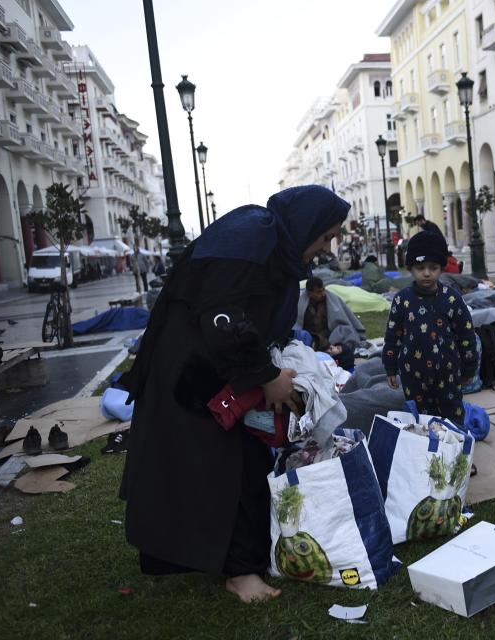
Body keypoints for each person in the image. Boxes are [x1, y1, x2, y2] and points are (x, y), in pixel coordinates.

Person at [118, 186, 348, 604]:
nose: (325, 248)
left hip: (213, 371)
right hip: (194, 375)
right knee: (228, 469)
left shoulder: (270, 242)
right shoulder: (254, 235)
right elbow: (222, 314)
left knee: (238, 464)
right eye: (326, 235)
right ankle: (241, 574)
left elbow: (253, 317)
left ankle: (237, 563)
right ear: (307, 224)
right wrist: (266, 376)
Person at [383, 231, 478, 423]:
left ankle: (455, 448)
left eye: (433, 268)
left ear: (441, 268)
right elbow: (393, 336)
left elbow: (466, 334)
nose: (426, 273)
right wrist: (390, 367)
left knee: (452, 414)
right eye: (420, 268)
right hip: (413, 374)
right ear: (410, 268)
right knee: (421, 419)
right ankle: (428, 451)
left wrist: (469, 368)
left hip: (448, 372)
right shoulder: (402, 300)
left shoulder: (451, 299)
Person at [296, 277, 364, 370]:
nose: (323, 294)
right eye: (318, 292)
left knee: (346, 331)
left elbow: (343, 321)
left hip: (331, 337)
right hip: (311, 340)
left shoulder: (331, 299)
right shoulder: (299, 302)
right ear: (309, 293)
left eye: (323, 290)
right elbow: (296, 326)